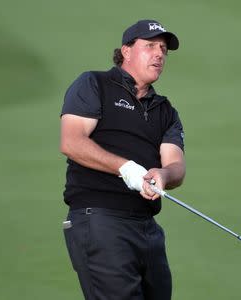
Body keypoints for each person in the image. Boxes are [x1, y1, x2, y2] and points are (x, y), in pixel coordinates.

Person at [59, 19, 185, 300]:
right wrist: (124, 167)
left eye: (163, 49)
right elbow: (71, 141)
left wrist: (164, 175)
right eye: (149, 46)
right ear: (126, 51)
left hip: (147, 227)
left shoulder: (165, 110)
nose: (159, 54)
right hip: (100, 218)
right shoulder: (95, 84)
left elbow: (175, 165)